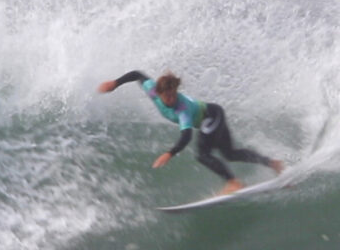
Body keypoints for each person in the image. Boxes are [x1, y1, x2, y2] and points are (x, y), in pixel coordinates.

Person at [97, 70, 283, 195]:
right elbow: (137, 75)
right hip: (213, 114)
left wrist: (170, 153)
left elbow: (186, 136)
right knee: (230, 153)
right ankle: (273, 163)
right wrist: (115, 83)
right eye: (167, 96)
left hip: (211, 116)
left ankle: (233, 182)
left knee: (203, 155)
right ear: (159, 93)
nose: (171, 99)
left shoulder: (182, 108)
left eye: (173, 94)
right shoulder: (152, 90)